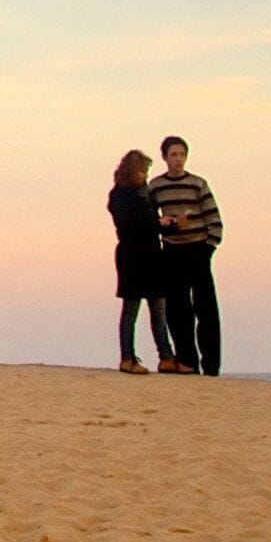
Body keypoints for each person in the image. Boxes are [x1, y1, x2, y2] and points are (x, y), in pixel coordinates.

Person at [148, 136, 223, 376]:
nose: (178, 159)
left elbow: (215, 219)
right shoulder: (156, 186)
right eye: (173, 155)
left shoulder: (197, 184)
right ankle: (187, 361)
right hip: (172, 251)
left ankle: (211, 365)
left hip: (198, 250)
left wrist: (208, 248)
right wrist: (166, 225)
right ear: (165, 157)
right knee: (178, 310)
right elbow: (150, 220)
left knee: (206, 310)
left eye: (181, 155)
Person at [106, 150, 166, 375]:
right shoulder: (121, 195)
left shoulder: (145, 193)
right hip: (132, 254)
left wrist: (164, 224)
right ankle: (128, 357)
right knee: (131, 307)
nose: (145, 175)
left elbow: (149, 223)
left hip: (151, 253)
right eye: (142, 170)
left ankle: (166, 356)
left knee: (158, 305)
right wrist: (157, 223)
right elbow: (130, 224)